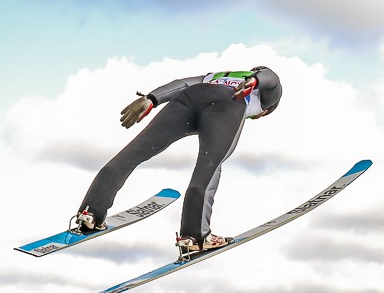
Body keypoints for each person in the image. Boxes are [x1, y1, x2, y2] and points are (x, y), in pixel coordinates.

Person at [73, 66, 282, 258]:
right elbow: (272, 79)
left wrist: (151, 98)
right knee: (209, 168)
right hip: (227, 105)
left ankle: (90, 212)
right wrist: (255, 81)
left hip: (188, 99)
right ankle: (195, 236)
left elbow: (182, 84)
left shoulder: (219, 76)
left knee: (133, 153)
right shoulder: (263, 99)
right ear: (264, 112)